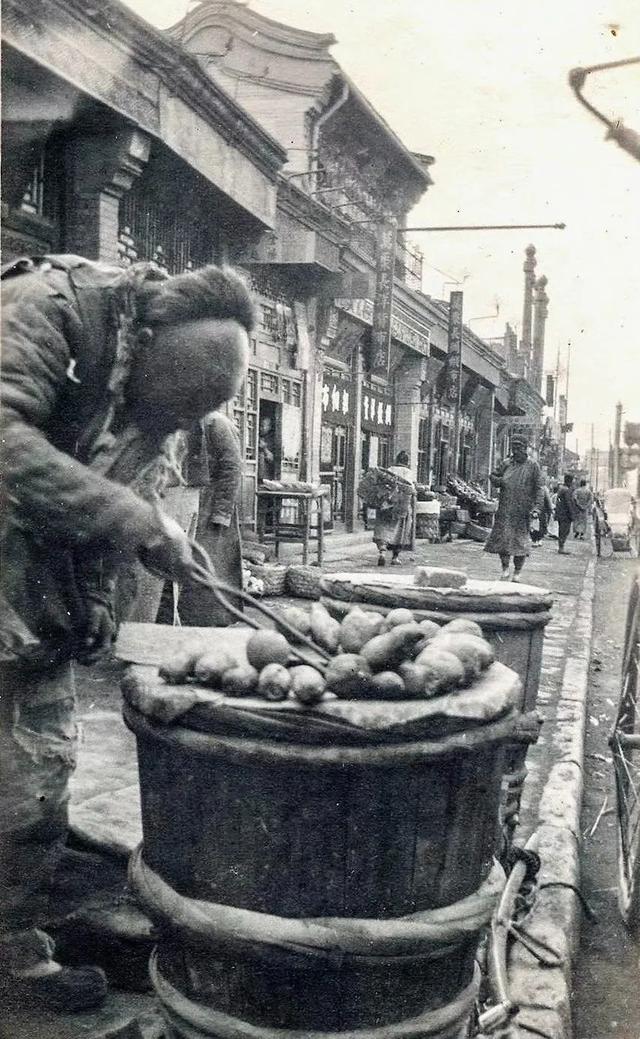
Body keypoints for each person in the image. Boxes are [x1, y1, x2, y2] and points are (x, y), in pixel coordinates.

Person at [0, 254, 254, 1010]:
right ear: (142, 342)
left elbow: (122, 494)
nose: (171, 426)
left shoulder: (161, 412)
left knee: (36, 776)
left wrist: (99, 605)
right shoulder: (47, 308)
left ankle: (14, 947)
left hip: (25, 596)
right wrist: (138, 521)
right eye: (172, 404)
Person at [167, 411, 244, 626]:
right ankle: (192, 620)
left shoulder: (217, 423)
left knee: (214, 568)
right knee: (194, 566)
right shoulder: (186, 421)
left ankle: (217, 620)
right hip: (193, 501)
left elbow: (232, 467)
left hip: (214, 505)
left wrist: (222, 512)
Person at [484, 435, 543, 581]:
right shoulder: (506, 463)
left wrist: (537, 508)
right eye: (513, 448)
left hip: (522, 510)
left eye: (519, 448)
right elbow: (493, 476)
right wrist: (500, 481)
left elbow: (539, 489)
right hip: (505, 509)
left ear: (525, 448)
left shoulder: (533, 466)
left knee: (520, 542)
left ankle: (517, 572)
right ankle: (504, 569)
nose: (515, 451)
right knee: (503, 541)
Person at [373, 451, 415, 566]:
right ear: (407, 462)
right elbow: (411, 490)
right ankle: (395, 557)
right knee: (400, 531)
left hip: (386, 504)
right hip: (401, 506)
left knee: (384, 528)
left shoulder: (389, 470)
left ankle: (382, 551)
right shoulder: (408, 472)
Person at [555, 473, 576, 553]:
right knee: (564, 531)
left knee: (562, 530)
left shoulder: (561, 489)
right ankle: (561, 548)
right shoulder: (566, 490)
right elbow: (568, 503)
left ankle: (561, 547)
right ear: (570, 481)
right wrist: (572, 514)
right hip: (565, 515)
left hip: (561, 513)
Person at [531, 480, 553, 546]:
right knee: (540, 524)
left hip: (533, 508)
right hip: (541, 509)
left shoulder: (531, 487)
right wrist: (550, 509)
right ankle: (539, 540)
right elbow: (548, 500)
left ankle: (535, 540)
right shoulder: (544, 488)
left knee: (533, 524)